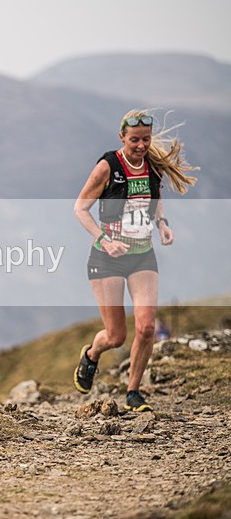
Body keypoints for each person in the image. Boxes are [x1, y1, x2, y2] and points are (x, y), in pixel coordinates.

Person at [73, 110, 197, 412]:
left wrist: (162, 223)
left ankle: (133, 392)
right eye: (134, 140)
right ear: (122, 138)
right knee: (116, 336)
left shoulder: (152, 164)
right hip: (107, 258)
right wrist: (104, 239)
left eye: (146, 139)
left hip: (142, 255)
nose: (141, 146)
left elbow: (155, 199)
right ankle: (91, 355)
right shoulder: (108, 166)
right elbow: (80, 208)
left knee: (147, 328)